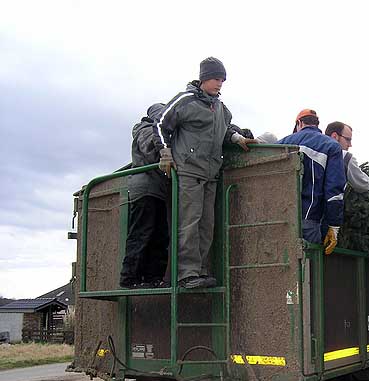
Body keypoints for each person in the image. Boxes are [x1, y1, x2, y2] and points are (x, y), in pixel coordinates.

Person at [152, 57, 256, 289]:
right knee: (189, 222)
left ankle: (199, 271)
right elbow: (160, 124)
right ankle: (186, 274)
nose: (220, 84)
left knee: (206, 225)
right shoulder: (185, 100)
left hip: (211, 172)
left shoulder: (219, 107)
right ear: (204, 78)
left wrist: (237, 138)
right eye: (216, 79)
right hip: (188, 170)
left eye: (222, 80)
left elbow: (225, 128)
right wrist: (165, 152)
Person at [278, 109, 346, 254]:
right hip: (309, 222)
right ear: (316, 124)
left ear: (299, 123)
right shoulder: (331, 146)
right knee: (307, 271)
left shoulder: (281, 144)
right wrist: (334, 226)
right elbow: (334, 192)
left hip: (280, 221)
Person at [119, 103, 169, 289]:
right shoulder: (147, 130)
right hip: (145, 188)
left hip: (158, 189)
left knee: (159, 235)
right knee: (142, 233)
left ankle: (152, 277)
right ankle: (130, 278)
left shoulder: (157, 131)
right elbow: (151, 150)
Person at [325, 121, 369, 193]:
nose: (350, 145)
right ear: (334, 136)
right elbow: (364, 185)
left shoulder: (314, 152)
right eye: (348, 139)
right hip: (332, 203)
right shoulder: (344, 156)